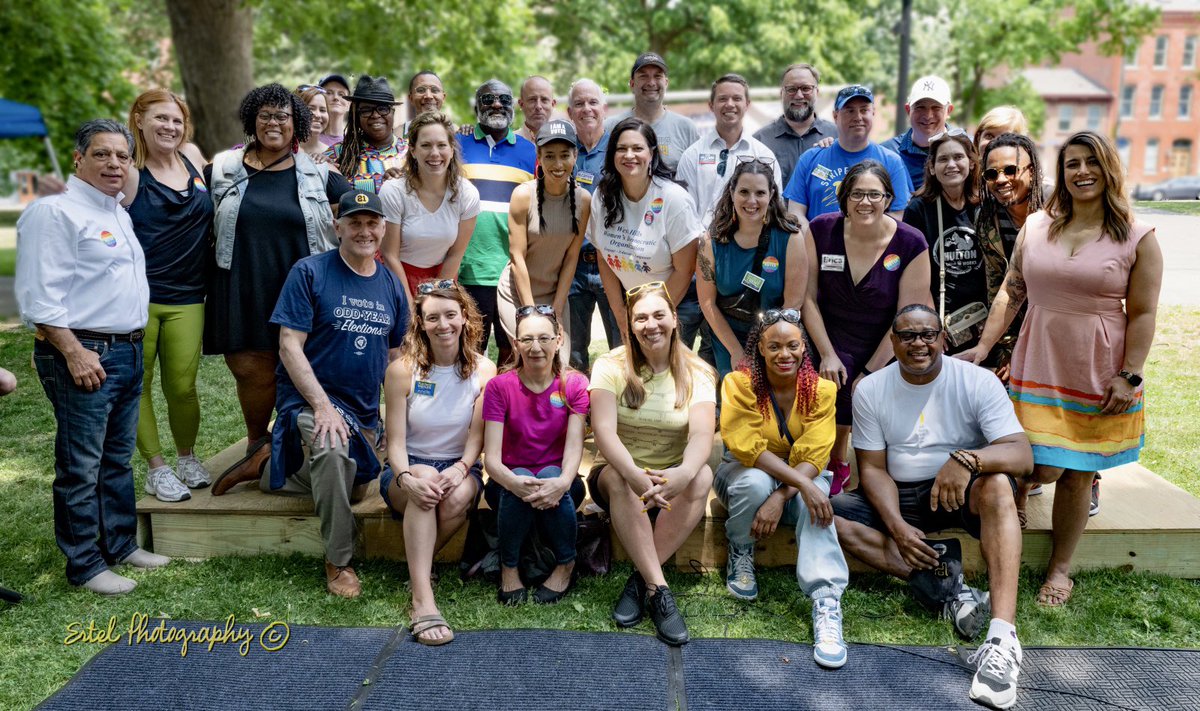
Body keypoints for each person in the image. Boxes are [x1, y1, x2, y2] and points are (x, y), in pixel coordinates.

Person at [959, 131, 1163, 607]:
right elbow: (1012, 290)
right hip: (1039, 354)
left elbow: (1145, 313)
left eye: (1091, 162)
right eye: (1072, 163)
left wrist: (1129, 374)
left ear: (1109, 168)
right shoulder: (1036, 225)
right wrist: (985, 347)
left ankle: (1060, 568)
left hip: (1097, 362)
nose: (1082, 172)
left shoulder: (1136, 235)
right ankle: (1022, 500)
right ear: (1062, 172)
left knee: (1076, 470)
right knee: (1035, 457)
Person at [833, 304, 1032, 710]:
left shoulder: (977, 382)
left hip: (962, 492)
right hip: (901, 492)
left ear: (942, 338)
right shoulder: (871, 389)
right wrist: (897, 526)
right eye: (907, 335)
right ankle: (949, 588)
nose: (918, 343)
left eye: (928, 334)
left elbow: (1022, 456)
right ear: (892, 342)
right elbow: (872, 470)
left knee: (997, 487)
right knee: (823, 513)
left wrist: (967, 460)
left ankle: (1002, 636)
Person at [16, 118, 170, 595]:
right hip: (84, 352)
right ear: (78, 158)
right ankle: (85, 563)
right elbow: (38, 298)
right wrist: (74, 353)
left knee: (117, 458)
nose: (114, 164)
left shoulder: (116, 213)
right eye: (102, 154)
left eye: (123, 156)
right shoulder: (54, 213)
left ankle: (121, 545)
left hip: (126, 349)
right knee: (81, 464)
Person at [260, 190, 410, 598]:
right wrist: (322, 405)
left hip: (362, 414)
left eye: (372, 222)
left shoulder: (392, 286)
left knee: (357, 483)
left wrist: (396, 418)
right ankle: (339, 561)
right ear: (337, 226)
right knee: (330, 447)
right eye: (355, 222)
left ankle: (279, 468)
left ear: (383, 228)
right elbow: (289, 345)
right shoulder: (310, 272)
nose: (364, 231)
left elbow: (397, 358)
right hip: (310, 401)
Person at [207, 83, 351, 496]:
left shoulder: (318, 172)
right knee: (251, 368)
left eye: (283, 116)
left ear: (297, 124)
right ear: (253, 120)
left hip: (299, 286)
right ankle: (257, 444)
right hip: (241, 281)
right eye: (266, 115)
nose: (274, 123)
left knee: (299, 364)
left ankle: (292, 449)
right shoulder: (223, 167)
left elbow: (363, 205)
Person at [714, 310, 848, 668]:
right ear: (759, 347)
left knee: (812, 504)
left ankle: (826, 599)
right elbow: (746, 446)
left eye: (792, 345)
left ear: (804, 348)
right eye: (773, 346)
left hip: (800, 475)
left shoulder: (822, 391)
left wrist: (785, 493)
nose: (783, 354)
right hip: (746, 472)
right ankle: (741, 549)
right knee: (759, 482)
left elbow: (817, 451)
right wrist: (801, 483)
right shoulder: (738, 384)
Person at [588, 282, 717, 646]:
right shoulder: (610, 365)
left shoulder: (699, 372)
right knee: (617, 479)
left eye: (659, 315)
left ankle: (640, 580)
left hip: (671, 479)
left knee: (703, 474)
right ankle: (660, 591)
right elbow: (603, 433)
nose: (651, 324)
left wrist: (684, 473)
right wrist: (634, 475)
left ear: (675, 320)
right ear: (630, 325)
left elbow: (702, 436)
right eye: (640, 318)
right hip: (617, 474)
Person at [802, 161, 931, 495]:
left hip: (887, 340)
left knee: (858, 380)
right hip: (828, 335)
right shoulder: (820, 229)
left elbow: (908, 317)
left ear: (888, 199)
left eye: (875, 194)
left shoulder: (910, 242)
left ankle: (859, 461)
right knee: (837, 371)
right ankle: (833, 459)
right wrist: (827, 353)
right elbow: (807, 299)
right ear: (844, 197)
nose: (865, 202)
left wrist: (871, 372)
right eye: (857, 193)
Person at [381, 279, 494, 645]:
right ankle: (422, 599)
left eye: (450, 315)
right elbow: (395, 442)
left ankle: (419, 570)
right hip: (408, 463)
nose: (443, 325)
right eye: (433, 318)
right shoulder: (403, 370)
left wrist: (461, 468)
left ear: (465, 317)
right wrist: (406, 477)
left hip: (461, 464)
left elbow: (476, 439)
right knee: (424, 482)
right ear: (421, 323)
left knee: (458, 496)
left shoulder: (484, 369)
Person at [122, 89, 214, 502]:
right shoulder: (128, 171)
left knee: (182, 386)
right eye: (161, 119)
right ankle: (156, 468)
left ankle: (187, 457)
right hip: (137, 299)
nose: (170, 127)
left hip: (189, 295)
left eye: (176, 120)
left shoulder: (193, 157)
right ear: (138, 120)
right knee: (137, 385)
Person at [483, 306, 588, 604]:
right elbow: (491, 459)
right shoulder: (499, 387)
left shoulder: (575, 385)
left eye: (544, 338)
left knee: (550, 474)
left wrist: (564, 481)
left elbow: (574, 447)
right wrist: (513, 482)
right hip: (507, 484)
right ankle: (509, 568)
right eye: (526, 339)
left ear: (559, 340)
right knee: (523, 477)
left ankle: (566, 564)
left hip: (561, 484)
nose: (536, 347)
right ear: (515, 344)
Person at [590, 117, 702, 340]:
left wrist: (652, 318)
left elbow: (684, 270)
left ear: (651, 153)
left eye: (637, 148)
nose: (629, 155)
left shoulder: (674, 200)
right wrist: (621, 313)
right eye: (621, 148)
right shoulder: (602, 197)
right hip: (626, 304)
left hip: (674, 304)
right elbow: (602, 255)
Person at [696, 159, 806, 380]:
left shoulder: (790, 238)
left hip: (775, 338)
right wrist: (736, 352)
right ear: (732, 191)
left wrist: (766, 348)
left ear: (772, 194)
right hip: (727, 338)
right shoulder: (712, 242)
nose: (752, 201)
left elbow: (793, 304)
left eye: (760, 193)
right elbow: (707, 303)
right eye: (744, 192)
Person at [457, 80, 537, 361]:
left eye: (503, 98)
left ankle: (506, 405)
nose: (496, 104)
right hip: (468, 269)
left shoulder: (530, 152)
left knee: (512, 351)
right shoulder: (457, 143)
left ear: (513, 105)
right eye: (488, 98)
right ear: (476, 106)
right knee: (469, 352)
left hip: (511, 271)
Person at [497, 120, 590, 355]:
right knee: (531, 357)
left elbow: (571, 258)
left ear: (575, 155)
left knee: (560, 360)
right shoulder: (523, 196)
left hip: (554, 294)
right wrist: (530, 313)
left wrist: (556, 309)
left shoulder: (584, 200)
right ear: (538, 156)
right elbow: (517, 257)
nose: (558, 164)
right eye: (549, 156)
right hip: (517, 293)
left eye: (564, 155)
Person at [960, 133, 1046, 376]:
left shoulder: (1059, 211)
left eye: (1011, 170)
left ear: (1032, 170)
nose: (1001, 180)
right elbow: (999, 288)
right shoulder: (988, 220)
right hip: (1017, 323)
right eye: (991, 174)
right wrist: (1008, 348)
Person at [902, 129, 987, 354]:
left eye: (958, 157)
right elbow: (915, 276)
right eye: (943, 159)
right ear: (932, 167)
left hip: (983, 320)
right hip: (941, 324)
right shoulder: (918, 209)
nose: (951, 164)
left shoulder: (985, 206)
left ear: (971, 163)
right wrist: (934, 325)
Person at [379, 111, 480, 299]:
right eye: (425, 145)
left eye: (441, 145)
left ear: (451, 149)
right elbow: (389, 255)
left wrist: (435, 299)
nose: (435, 153)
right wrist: (411, 307)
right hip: (395, 276)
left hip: (443, 277)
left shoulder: (467, 194)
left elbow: (455, 255)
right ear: (413, 150)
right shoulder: (393, 191)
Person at [784, 85, 912, 221]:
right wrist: (813, 241)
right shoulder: (810, 159)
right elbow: (796, 213)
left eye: (864, 110)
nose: (858, 117)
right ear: (835, 115)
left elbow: (896, 216)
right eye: (849, 111)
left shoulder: (892, 162)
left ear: (873, 113)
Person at [676, 73, 782, 226]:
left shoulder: (764, 155)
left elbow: (775, 207)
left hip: (753, 245)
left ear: (747, 105)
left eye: (737, 98)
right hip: (703, 244)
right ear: (711, 105)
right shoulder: (692, 155)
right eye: (722, 99)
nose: (730, 104)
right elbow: (683, 210)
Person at [565, 78, 620, 370]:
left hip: (611, 263)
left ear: (605, 109)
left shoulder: (620, 149)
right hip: (571, 267)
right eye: (579, 103)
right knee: (573, 351)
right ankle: (578, 410)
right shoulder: (561, 150)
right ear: (569, 111)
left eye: (593, 102)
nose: (586, 109)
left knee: (620, 346)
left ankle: (622, 408)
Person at [604, 52, 698, 178]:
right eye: (643, 76)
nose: (651, 82)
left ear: (666, 83)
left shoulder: (686, 128)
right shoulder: (610, 127)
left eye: (657, 76)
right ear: (632, 84)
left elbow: (696, 178)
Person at [753, 63, 838, 187]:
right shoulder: (759, 142)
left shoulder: (838, 137)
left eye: (806, 88)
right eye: (791, 89)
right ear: (781, 93)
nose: (799, 95)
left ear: (817, 92)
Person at [326, 76, 404, 195]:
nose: (375, 115)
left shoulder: (412, 152)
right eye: (366, 110)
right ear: (356, 116)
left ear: (393, 112)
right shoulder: (338, 153)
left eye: (382, 109)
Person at [883, 76, 955, 190]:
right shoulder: (887, 153)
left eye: (936, 107)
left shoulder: (969, 149)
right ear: (908, 110)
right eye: (920, 107)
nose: (928, 116)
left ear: (949, 110)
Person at [515, 75, 558, 143]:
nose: (538, 106)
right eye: (532, 100)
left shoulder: (564, 142)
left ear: (553, 104)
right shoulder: (510, 143)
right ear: (521, 104)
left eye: (544, 100)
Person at [295, 85, 332, 162]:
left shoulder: (333, 154)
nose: (318, 115)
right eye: (311, 109)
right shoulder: (283, 151)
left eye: (322, 110)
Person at [403, 71, 446, 136]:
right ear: (411, 98)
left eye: (434, 90)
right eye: (421, 90)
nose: (428, 96)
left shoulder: (457, 133)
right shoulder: (398, 135)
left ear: (443, 97)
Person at [318, 73, 351, 147]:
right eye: (329, 93)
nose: (336, 97)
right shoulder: (309, 140)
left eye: (341, 94)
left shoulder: (354, 143)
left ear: (349, 104)